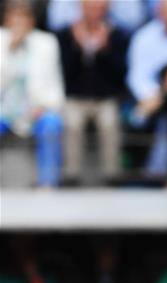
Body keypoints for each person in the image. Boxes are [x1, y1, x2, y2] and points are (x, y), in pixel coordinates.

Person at [57, 0, 128, 185]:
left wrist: (105, 50)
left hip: (105, 98)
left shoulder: (117, 35)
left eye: (99, 8)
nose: (95, 13)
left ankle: (112, 176)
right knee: (71, 123)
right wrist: (77, 48)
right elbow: (64, 72)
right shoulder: (66, 34)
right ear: (81, 8)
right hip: (75, 98)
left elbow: (120, 73)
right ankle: (71, 176)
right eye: (90, 8)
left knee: (110, 122)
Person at [0, 0, 65, 188]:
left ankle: (48, 183)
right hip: (4, 110)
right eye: (14, 16)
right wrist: (11, 49)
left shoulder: (47, 43)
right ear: (6, 19)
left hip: (36, 108)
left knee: (52, 124)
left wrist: (44, 106)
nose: (19, 21)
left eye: (23, 16)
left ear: (32, 21)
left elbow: (55, 84)